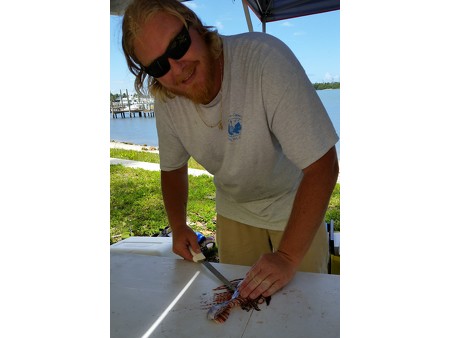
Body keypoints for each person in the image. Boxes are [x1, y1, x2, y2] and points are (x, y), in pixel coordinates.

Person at [121, 0, 339, 300]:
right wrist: (178, 224)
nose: (177, 67)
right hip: (233, 209)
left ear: (195, 27)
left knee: (305, 309)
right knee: (243, 308)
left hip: (294, 203)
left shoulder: (264, 60)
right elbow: (172, 167)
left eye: (179, 44)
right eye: (159, 66)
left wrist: (288, 258)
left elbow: (323, 166)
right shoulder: (167, 100)